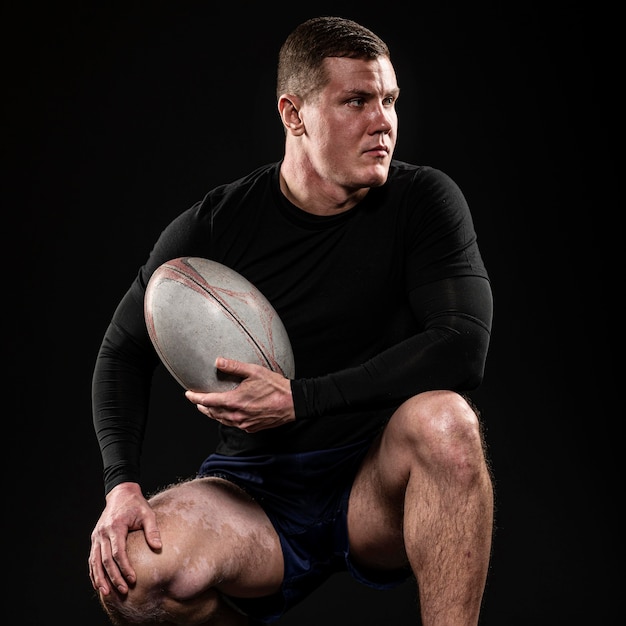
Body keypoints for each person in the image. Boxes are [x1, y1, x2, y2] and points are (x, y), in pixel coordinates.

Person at [88, 15, 495, 626]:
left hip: (374, 484)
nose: (382, 121)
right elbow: (120, 352)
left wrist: (302, 400)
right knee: (133, 579)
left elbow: (463, 345)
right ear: (293, 113)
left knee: (447, 423)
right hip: (256, 495)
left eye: (389, 100)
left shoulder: (424, 200)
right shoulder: (217, 226)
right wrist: (121, 483)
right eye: (355, 101)